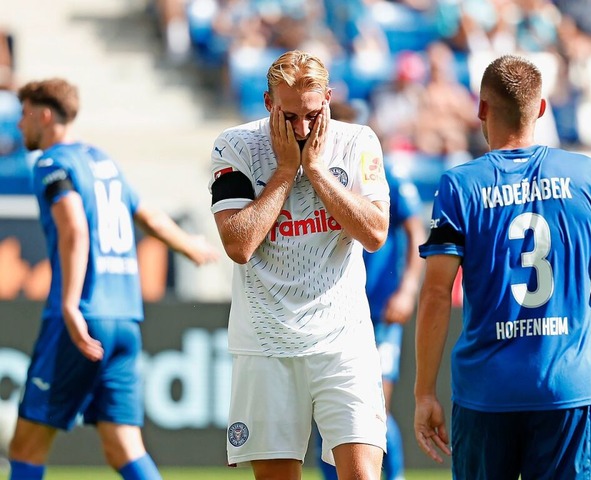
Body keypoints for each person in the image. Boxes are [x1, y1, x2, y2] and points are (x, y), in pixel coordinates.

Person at [414, 54, 591, 479]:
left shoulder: (461, 185)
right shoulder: (585, 174)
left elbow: (437, 292)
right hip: (568, 388)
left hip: (485, 395)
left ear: (481, 109)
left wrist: (424, 393)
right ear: (542, 109)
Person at [8, 78, 219, 480]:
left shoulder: (52, 163)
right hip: (125, 319)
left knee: (26, 446)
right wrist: (188, 246)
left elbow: (74, 227)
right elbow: (150, 217)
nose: (20, 125)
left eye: (24, 115)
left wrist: (70, 303)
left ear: (44, 115)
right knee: (123, 445)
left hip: (83, 317)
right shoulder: (103, 162)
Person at [208, 50, 390, 480]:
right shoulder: (235, 146)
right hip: (266, 345)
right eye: (289, 116)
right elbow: (238, 244)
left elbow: (375, 234)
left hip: (344, 341)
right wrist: (287, 171)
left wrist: (317, 171)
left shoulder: (358, 141)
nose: (303, 128)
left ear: (327, 98)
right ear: (269, 103)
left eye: (312, 113)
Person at [316, 100, 426, 480]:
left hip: (378, 309)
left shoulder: (379, 168)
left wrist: (408, 289)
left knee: (372, 408)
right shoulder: (317, 172)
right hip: (331, 310)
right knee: (327, 414)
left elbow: (415, 231)